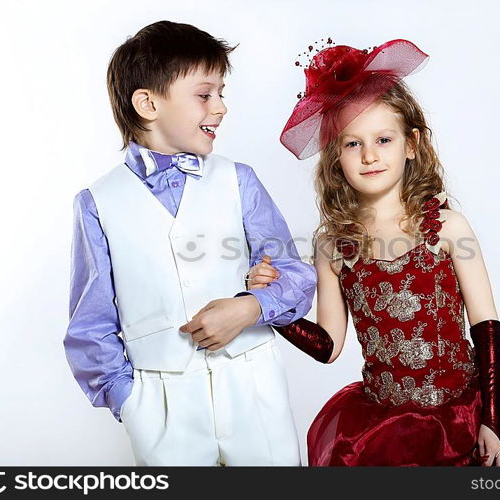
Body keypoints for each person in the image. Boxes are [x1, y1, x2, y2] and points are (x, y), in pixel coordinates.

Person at [248, 39, 500, 466]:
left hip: (466, 414)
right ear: (336, 158)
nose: (369, 155)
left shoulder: (446, 228)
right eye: (352, 144)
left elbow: (487, 329)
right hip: (383, 427)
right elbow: (329, 345)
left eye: (383, 139)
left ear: (412, 143)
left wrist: (495, 423)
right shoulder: (333, 245)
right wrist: (272, 307)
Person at [63, 20, 316, 466]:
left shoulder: (239, 181)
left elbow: (294, 274)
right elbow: (91, 324)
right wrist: (132, 401)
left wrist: (251, 306)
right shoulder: (97, 203)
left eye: (222, 93)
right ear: (147, 103)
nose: (220, 108)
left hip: (253, 388)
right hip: (162, 406)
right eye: (205, 94)